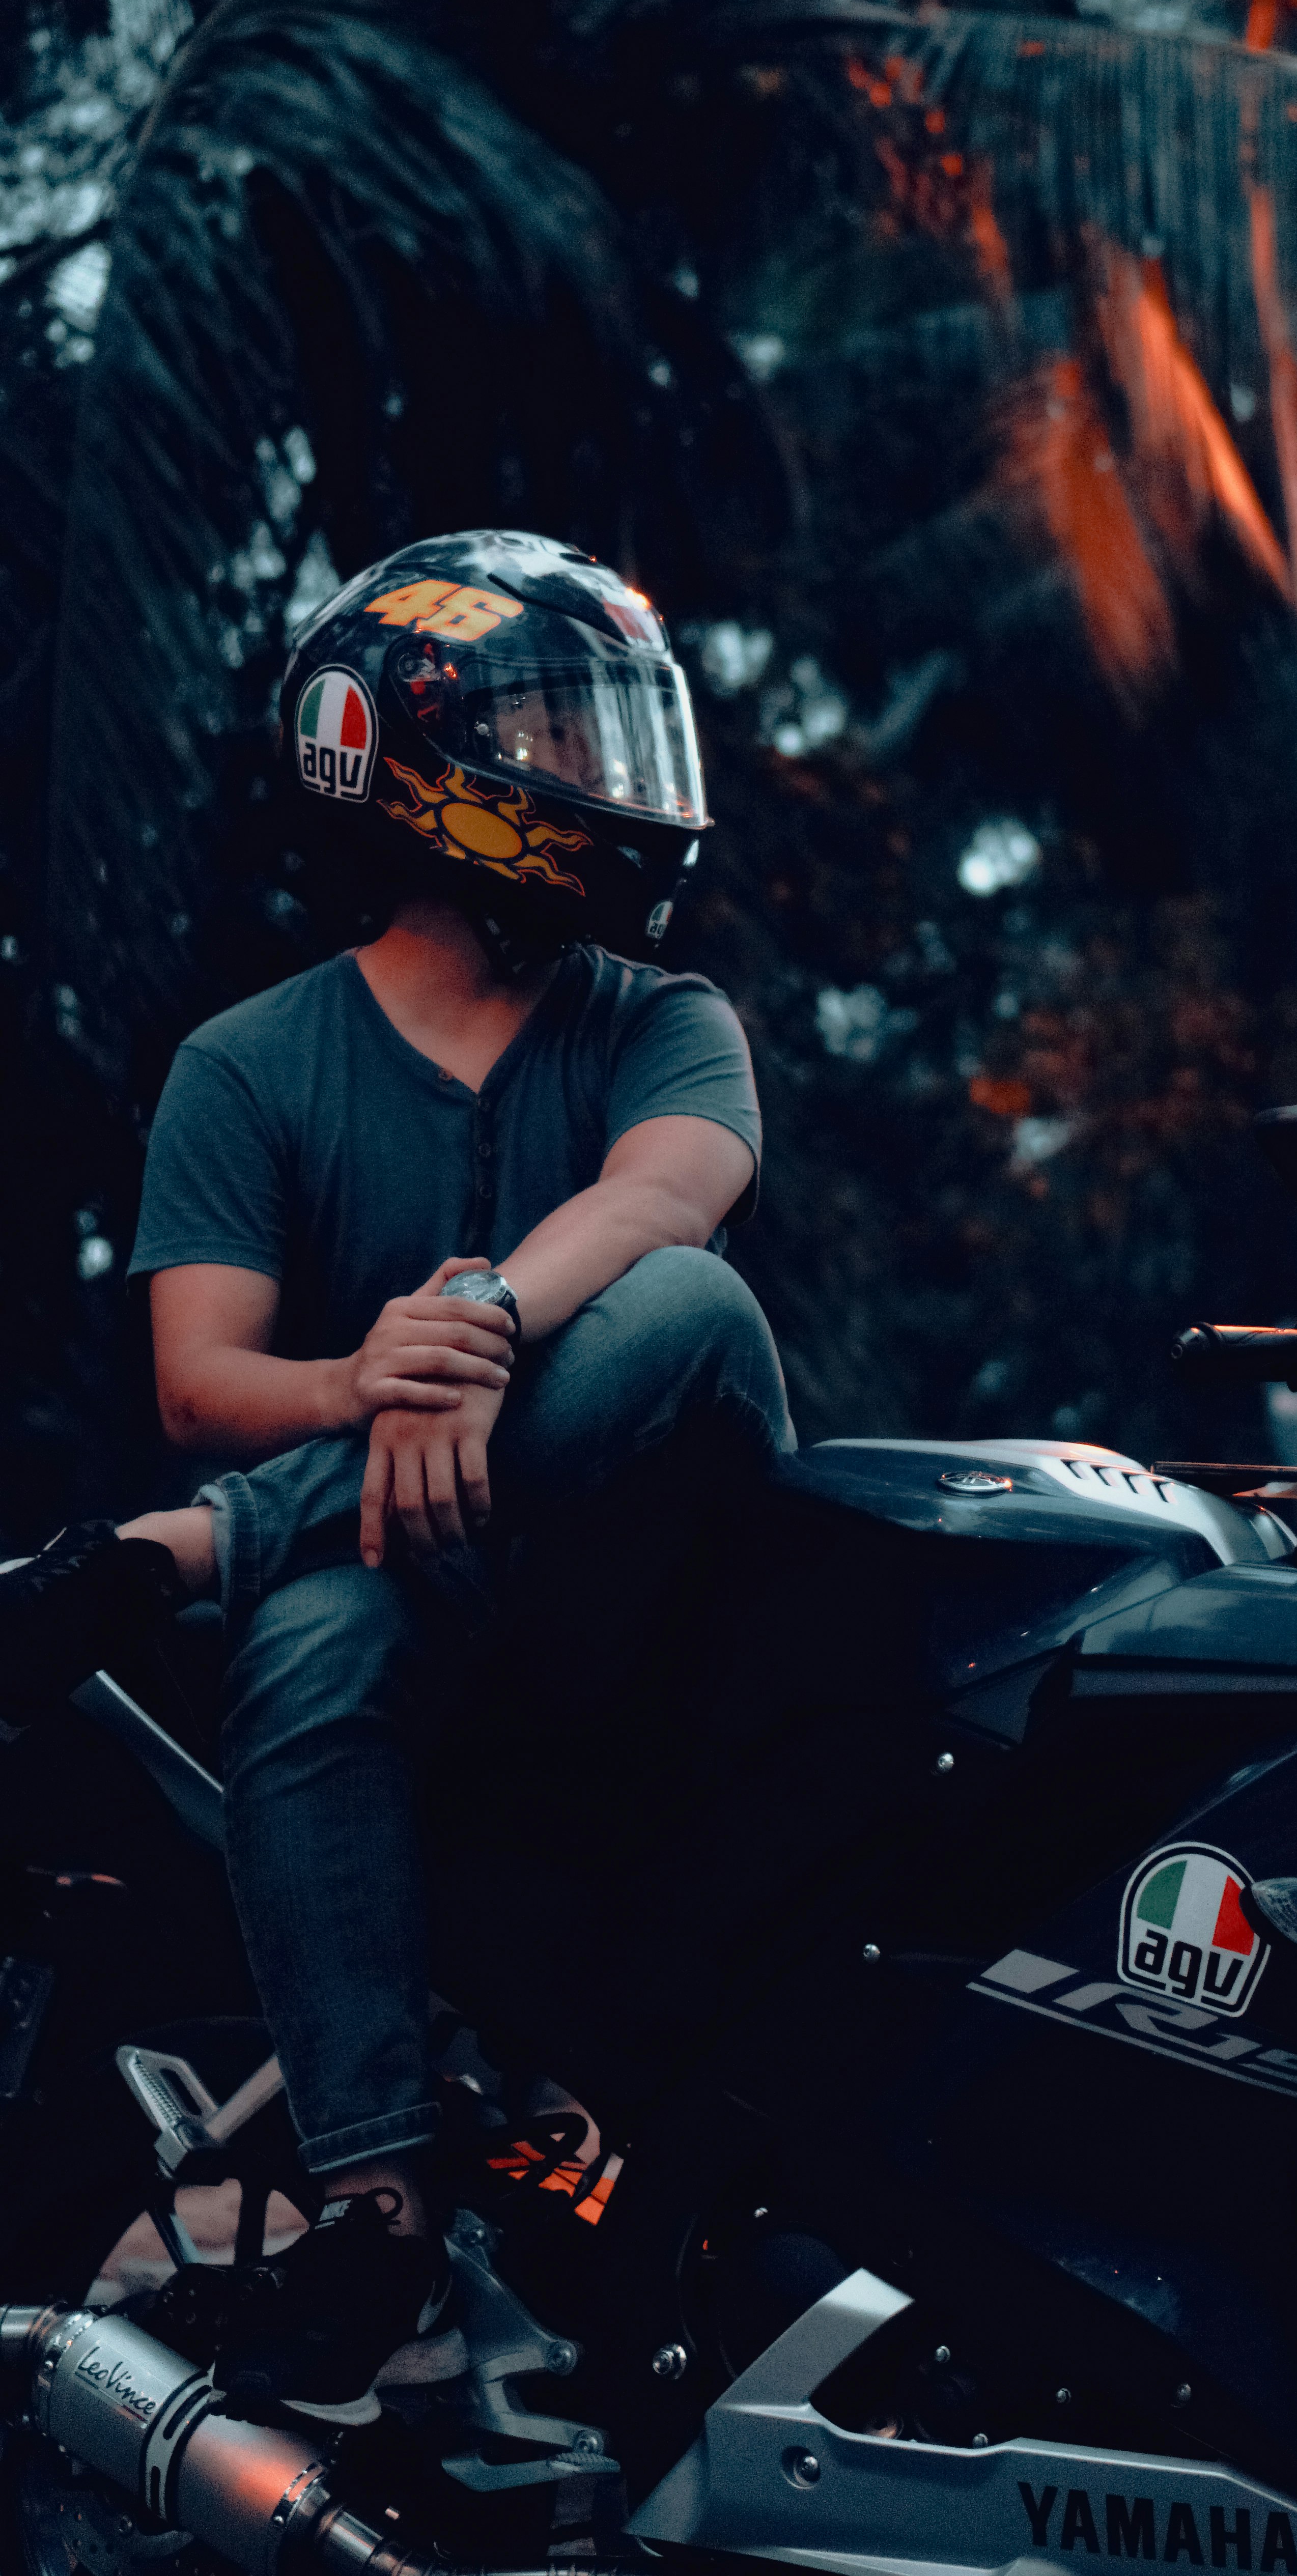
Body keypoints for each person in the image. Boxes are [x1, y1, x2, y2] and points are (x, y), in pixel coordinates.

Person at [0, 530, 791, 2423]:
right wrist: (375, 1373)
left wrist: (480, 1321)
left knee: (678, 1300)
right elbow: (202, 1375)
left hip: (662, 1552)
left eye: (617, 736)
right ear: (402, 755)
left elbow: (672, 1200)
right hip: (416, 1582)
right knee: (314, 1647)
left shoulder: (662, 1019)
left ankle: (174, 1563)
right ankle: (373, 2215)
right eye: (556, 735)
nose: (606, 782)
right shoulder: (247, 1064)